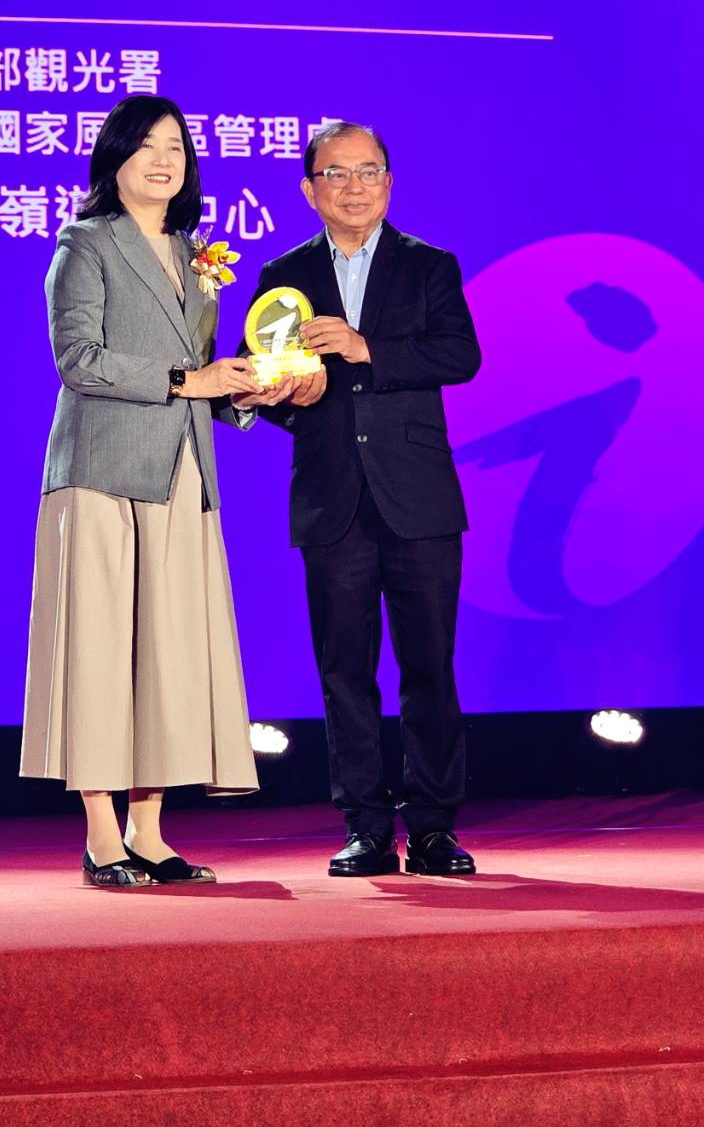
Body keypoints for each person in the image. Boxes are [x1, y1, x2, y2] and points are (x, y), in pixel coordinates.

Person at [20, 96, 262, 888]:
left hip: (181, 470)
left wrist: (244, 390)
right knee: (100, 650)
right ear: (114, 157)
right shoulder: (85, 242)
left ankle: (148, 832)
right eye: (148, 145)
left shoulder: (198, 255)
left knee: (167, 650)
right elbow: (78, 359)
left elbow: (203, 372)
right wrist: (192, 379)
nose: (165, 160)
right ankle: (101, 836)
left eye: (177, 148)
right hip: (100, 470)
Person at [234, 120, 481, 878]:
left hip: (419, 497)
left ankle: (433, 827)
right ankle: (366, 826)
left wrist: (364, 347)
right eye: (335, 174)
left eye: (368, 171)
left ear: (389, 183)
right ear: (309, 190)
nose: (354, 186)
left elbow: (460, 354)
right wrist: (286, 396)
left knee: (429, 665)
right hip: (331, 495)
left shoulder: (429, 265)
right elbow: (259, 379)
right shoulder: (284, 275)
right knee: (345, 669)